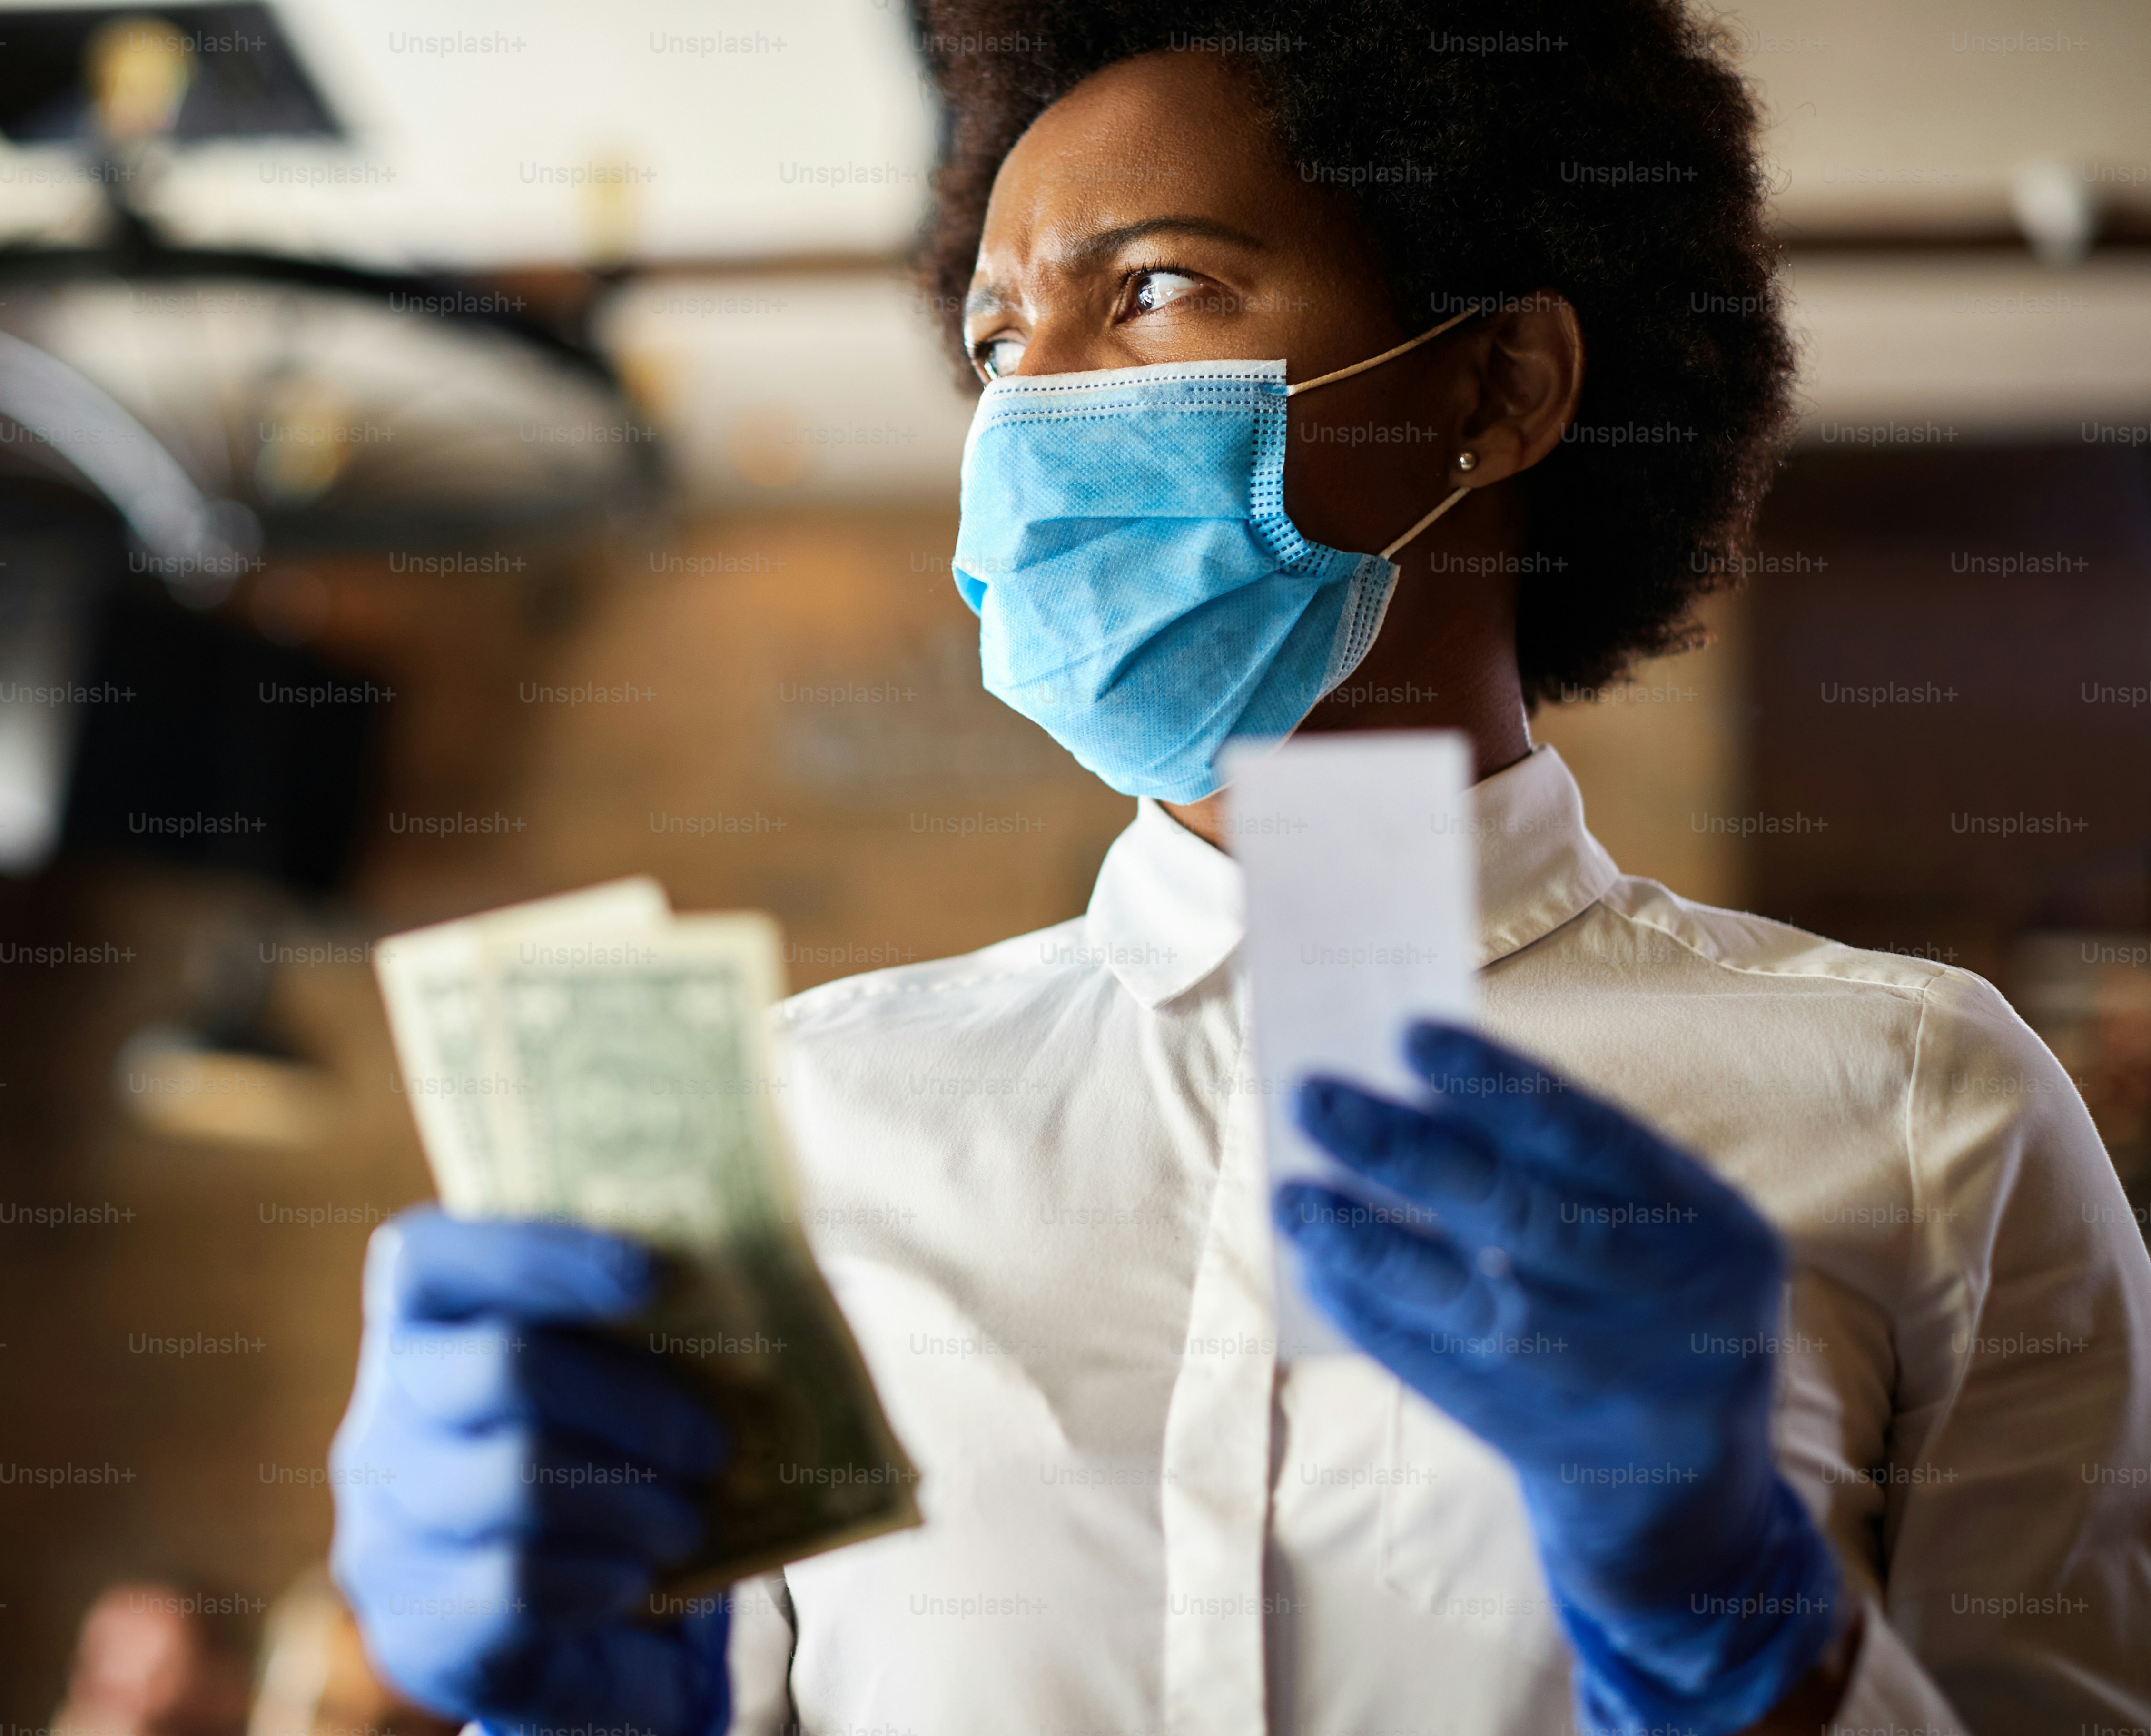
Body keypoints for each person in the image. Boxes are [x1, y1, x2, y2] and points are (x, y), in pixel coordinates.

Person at [326, 5, 2151, 1733]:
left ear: (1499, 384)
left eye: (1156, 290)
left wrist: (1751, 1639)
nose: (1031, 416)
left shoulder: (1918, 1105)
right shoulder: (807, 1119)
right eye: (996, 342)